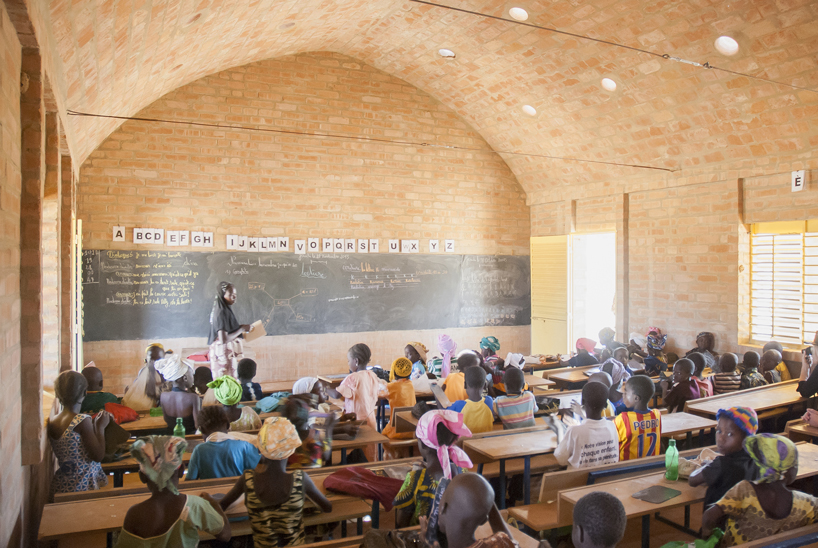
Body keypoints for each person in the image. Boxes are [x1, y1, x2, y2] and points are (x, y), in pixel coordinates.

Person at [219, 417, 332, 548]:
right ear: (291, 449)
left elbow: (222, 506)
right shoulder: (301, 479)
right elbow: (327, 508)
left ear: (260, 448)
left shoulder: (247, 479)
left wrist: (209, 499)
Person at [701, 434, 818, 546]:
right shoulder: (807, 503)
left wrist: (708, 537)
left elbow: (709, 516)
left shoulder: (744, 490)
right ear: (787, 471)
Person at [114, 436, 230, 547]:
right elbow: (225, 535)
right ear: (181, 471)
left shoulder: (134, 513)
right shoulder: (196, 505)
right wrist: (213, 503)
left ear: (142, 477)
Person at [395, 410, 473, 527]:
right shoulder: (462, 471)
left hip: (424, 540)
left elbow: (401, 523)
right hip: (454, 539)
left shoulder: (414, 479)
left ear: (423, 444)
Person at [48, 371, 110, 495]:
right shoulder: (81, 420)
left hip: (62, 484)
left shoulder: (53, 421)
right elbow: (98, 455)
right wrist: (100, 427)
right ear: (84, 393)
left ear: (57, 394)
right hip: (82, 485)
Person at [689, 407, 759, 508]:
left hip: (719, 520)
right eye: (719, 431)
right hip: (744, 519)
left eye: (730, 434)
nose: (721, 438)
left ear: (746, 439)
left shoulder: (721, 464)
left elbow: (692, 480)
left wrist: (706, 466)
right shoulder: (756, 460)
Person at [433, 473, 519, 548]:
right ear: (484, 520)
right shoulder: (499, 543)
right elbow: (510, 543)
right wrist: (487, 502)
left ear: (442, 507)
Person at [332, 343, 387, 460]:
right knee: (370, 453)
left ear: (356, 361)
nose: (348, 363)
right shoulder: (372, 375)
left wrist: (325, 389)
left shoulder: (352, 378)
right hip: (371, 420)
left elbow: (337, 394)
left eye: (348, 360)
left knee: (357, 454)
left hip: (355, 422)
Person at [554, 383, 619, 469]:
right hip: (605, 478)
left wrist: (559, 429)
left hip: (579, 480)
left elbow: (560, 459)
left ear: (582, 402)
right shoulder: (611, 426)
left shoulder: (574, 431)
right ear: (606, 405)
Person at [186, 406, 260, 480]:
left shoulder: (199, 451)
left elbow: (190, 481)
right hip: (239, 491)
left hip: (210, 491)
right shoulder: (245, 446)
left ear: (202, 430)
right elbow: (260, 469)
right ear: (228, 425)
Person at [208, 281, 252, 378]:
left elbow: (226, 328)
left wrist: (242, 328)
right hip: (222, 354)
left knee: (229, 382)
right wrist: (241, 329)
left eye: (235, 295)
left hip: (224, 352)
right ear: (223, 295)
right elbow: (223, 339)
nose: (234, 297)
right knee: (226, 383)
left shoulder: (223, 308)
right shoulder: (221, 312)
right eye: (231, 295)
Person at [613, 375, 661, 460]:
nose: (623, 395)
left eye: (626, 392)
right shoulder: (657, 415)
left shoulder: (624, 419)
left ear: (636, 398)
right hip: (651, 465)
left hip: (627, 469)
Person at [158, 354, 201, 434]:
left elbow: (166, 419)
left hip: (171, 438)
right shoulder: (193, 398)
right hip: (190, 437)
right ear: (185, 378)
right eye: (192, 374)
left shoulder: (163, 396)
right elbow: (197, 425)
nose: (193, 378)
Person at [449, 366, 495, 434]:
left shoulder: (458, 405)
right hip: (486, 442)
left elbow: (444, 412)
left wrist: (437, 394)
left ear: (464, 385)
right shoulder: (489, 401)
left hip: (464, 443)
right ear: (485, 386)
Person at [382, 357, 418, 440]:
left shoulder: (390, 386)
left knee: (383, 433)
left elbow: (379, 393)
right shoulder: (410, 385)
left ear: (393, 371)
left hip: (395, 431)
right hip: (412, 429)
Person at [122, 343, 165, 411]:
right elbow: (151, 393)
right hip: (144, 409)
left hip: (130, 405)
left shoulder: (144, 370)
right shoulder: (155, 371)